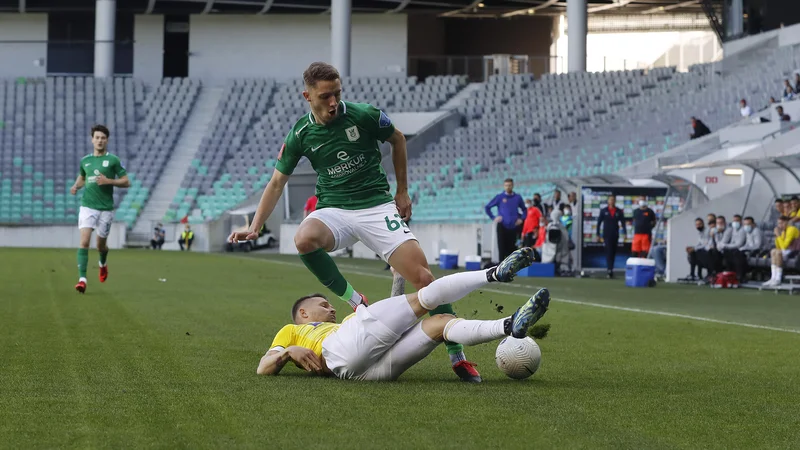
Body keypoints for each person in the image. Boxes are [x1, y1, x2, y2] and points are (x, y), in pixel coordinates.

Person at [228, 62, 481, 382]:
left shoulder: (363, 115)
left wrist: (402, 191)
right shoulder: (300, 134)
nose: (333, 102)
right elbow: (277, 182)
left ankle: (457, 355)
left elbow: (398, 140)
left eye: (337, 94)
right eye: (325, 96)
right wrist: (255, 226)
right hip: (335, 210)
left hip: (376, 206)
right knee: (304, 238)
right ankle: (355, 299)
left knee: (424, 278)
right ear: (307, 96)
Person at [256, 248, 549, 381]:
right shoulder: (293, 331)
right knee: (426, 297)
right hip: (338, 352)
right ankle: (494, 273)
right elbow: (263, 368)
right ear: (303, 313)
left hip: (362, 373)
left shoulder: (347, 324)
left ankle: (509, 325)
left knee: (440, 324)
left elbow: (388, 324)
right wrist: (287, 352)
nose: (331, 307)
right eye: (323, 304)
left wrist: (397, 278)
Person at [69, 125, 130, 293]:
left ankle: (103, 263)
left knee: (100, 246)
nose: (100, 140)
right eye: (97, 137)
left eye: (103, 138)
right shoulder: (85, 161)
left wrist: (109, 181)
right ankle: (82, 280)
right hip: (88, 206)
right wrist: (76, 186)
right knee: (84, 241)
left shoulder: (113, 160)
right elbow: (83, 177)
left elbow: (126, 181)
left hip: (105, 208)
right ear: (92, 140)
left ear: (107, 140)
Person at [485, 178, 527, 262]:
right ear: (504, 186)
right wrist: (494, 217)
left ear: (513, 186)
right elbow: (487, 207)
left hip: (513, 226)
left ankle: (510, 269)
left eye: (510, 185)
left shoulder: (517, 197)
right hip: (502, 226)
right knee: (501, 248)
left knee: (512, 248)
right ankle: (500, 270)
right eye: (506, 185)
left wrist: (521, 219)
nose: (508, 187)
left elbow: (524, 210)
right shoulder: (500, 197)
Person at [763, 216, 800, 286]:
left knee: (778, 252)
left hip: (795, 251)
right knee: (773, 251)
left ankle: (778, 279)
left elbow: (784, 246)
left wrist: (778, 235)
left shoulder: (791, 229)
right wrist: (777, 236)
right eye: (778, 223)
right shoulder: (783, 231)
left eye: (781, 223)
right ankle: (773, 278)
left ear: (786, 222)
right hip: (787, 251)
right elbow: (779, 246)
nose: (779, 225)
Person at [597, 195, 626, 278]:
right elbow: (599, 223)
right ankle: (609, 270)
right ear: (608, 201)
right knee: (609, 251)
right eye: (610, 200)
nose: (612, 201)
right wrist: (598, 234)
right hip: (606, 234)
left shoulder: (619, 211)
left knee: (613, 252)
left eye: (613, 200)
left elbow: (623, 222)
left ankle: (611, 269)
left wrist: (624, 233)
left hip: (615, 234)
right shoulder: (604, 211)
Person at [719, 215, 747, 280]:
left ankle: (739, 276)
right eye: (734, 221)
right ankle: (728, 274)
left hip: (741, 250)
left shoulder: (743, 230)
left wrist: (725, 246)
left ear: (741, 221)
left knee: (736, 253)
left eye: (737, 221)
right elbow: (727, 241)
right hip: (732, 249)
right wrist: (722, 245)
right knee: (725, 252)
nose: (735, 222)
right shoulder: (732, 229)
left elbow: (739, 244)